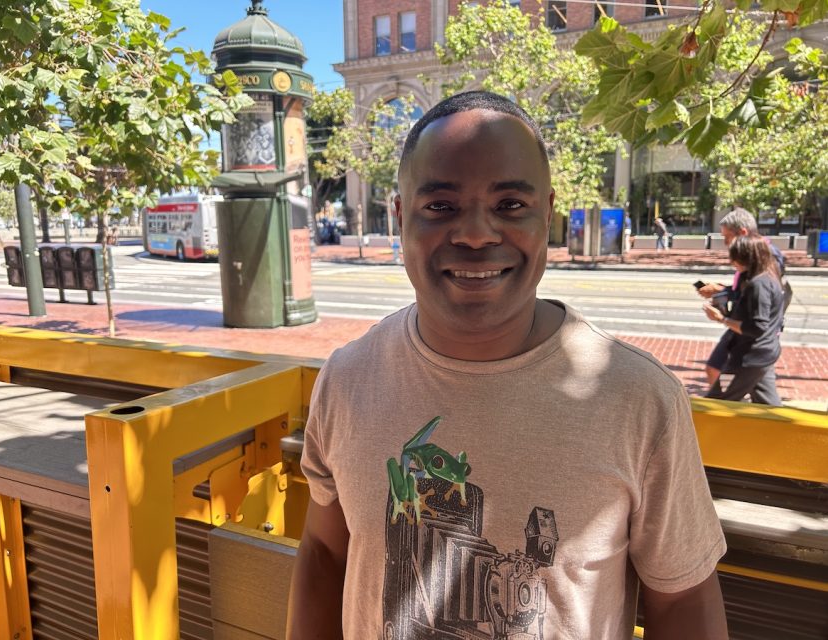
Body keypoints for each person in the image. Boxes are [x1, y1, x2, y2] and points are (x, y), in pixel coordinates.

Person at [287, 92, 727, 640]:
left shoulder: (639, 398)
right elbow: (327, 551)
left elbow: (684, 601)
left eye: (511, 205)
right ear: (400, 217)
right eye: (441, 206)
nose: (476, 234)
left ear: (548, 213)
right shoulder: (347, 379)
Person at [698, 208, 787, 389]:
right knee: (762, 392)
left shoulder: (765, 262)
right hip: (751, 338)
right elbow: (747, 292)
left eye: (727, 237)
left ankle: (724, 403)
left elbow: (761, 298)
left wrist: (723, 318)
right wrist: (723, 290)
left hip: (752, 341)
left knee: (722, 385)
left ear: (743, 233)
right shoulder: (753, 263)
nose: (725, 243)